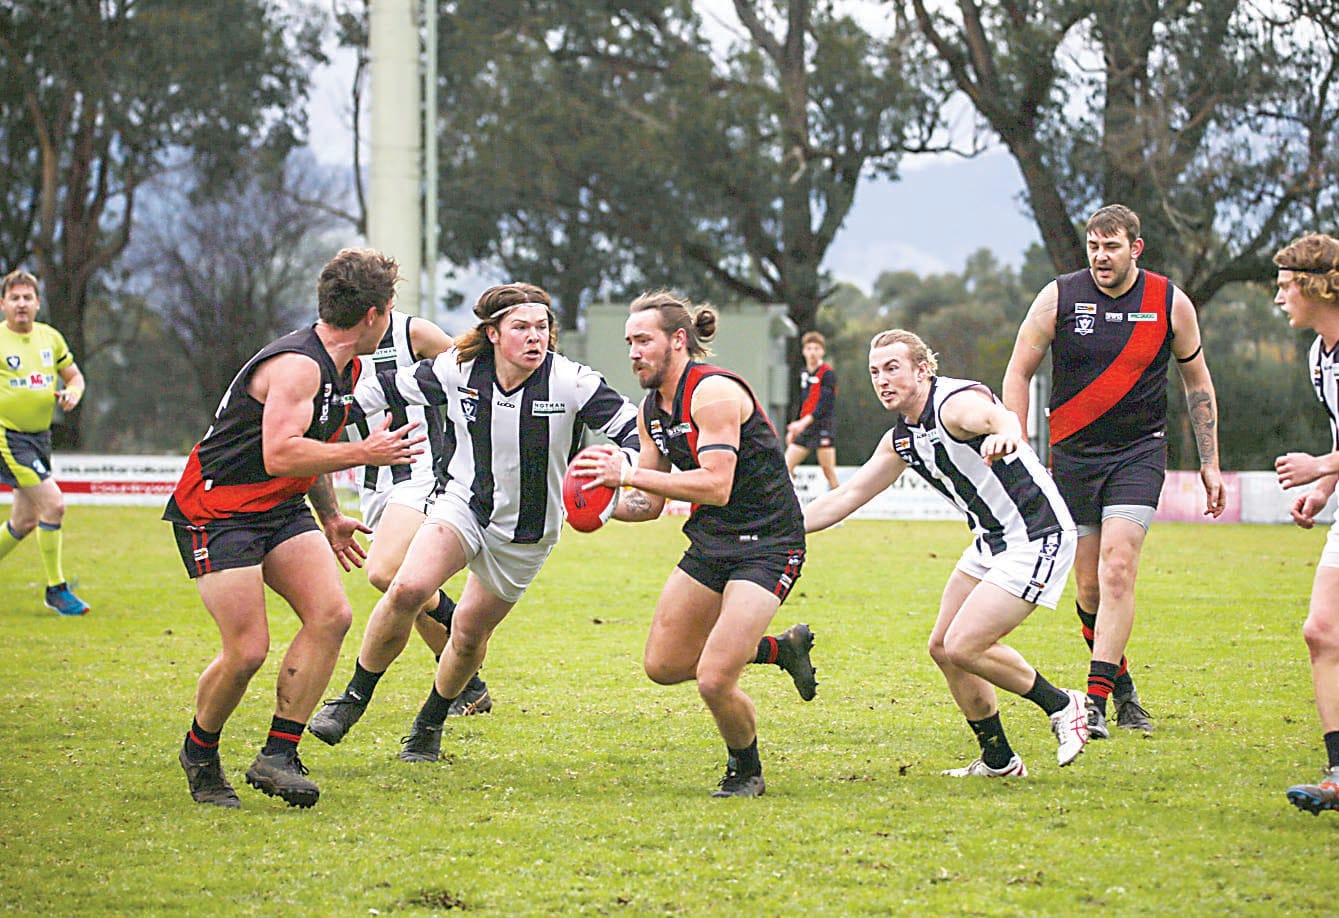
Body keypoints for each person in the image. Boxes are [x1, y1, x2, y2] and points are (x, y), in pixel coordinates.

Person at [307, 283, 643, 762]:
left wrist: (622, 470)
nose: (535, 338)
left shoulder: (572, 383)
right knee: (405, 589)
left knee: (466, 634)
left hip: (526, 533)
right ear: (492, 333)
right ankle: (352, 699)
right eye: (521, 328)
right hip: (462, 505)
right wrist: (319, 416)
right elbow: (384, 389)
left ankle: (429, 724)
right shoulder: (458, 368)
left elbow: (635, 432)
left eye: (542, 328)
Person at [164, 247, 425, 810]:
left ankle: (278, 755)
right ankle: (200, 751)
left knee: (331, 615)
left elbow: (315, 449)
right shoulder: (299, 365)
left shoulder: (346, 364)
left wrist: (330, 516)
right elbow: (281, 451)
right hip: (218, 510)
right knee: (247, 650)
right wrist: (366, 449)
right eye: (392, 308)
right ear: (374, 314)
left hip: (280, 509)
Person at [804, 329, 1088, 776]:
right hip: (990, 543)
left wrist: (1007, 434)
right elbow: (849, 494)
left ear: (923, 369)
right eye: (875, 371)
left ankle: (1063, 704)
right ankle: (998, 760)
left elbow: (1000, 418)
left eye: (893, 368)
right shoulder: (902, 438)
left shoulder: (953, 404)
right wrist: (780, 531)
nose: (883, 380)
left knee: (964, 645)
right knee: (942, 647)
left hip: (1037, 535)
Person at [573, 290, 817, 798]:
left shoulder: (713, 394)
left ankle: (745, 770)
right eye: (629, 342)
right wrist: (596, 506)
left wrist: (627, 473)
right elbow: (650, 502)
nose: (633, 352)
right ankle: (781, 650)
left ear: (677, 341)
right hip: (712, 541)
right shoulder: (650, 411)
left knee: (712, 678)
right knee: (664, 666)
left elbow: (715, 485)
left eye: (643, 340)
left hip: (769, 544)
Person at [1002, 203, 1226, 739]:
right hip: (1074, 458)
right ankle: (1124, 689)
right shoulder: (1058, 296)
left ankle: (1096, 700)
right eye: (1094, 246)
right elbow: (1018, 369)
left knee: (1117, 567)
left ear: (1135, 249)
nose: (1101, 257)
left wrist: (1210, 463)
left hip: (1139, 454)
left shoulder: (1170, 302)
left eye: (1112, 246)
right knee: (1087, 588)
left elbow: (1198, 385)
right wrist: (1016, 442)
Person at [307, 310, 491, 746]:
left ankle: (459, 625)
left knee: (386, 572)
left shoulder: (414, 332)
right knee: (407, 588)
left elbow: (471, 377)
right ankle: (468, 684)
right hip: (372, 480)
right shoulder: (324, 346)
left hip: (423, 466)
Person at [1271, 234, 1339, 814]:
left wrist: (1320, 465)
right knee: (1322, 632)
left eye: (1285, 286)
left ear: (1316, 286)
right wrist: (1323, 489)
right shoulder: (1321, 355)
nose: (1278, 298)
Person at [0, 269, 90, 616]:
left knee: (23, 522)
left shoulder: (50, 338)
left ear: (37, 304)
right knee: (54, 506)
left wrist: (72, 394)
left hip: (40, 438)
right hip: (8, 437)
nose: (21, 304)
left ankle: (56, 590)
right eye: (14, 298)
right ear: (3, 304)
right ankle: (56, 589)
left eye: (27, 298)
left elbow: (75, 377)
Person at [784, 330, 840, 491]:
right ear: (804, 351)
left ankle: (840, 511)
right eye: (809, 349)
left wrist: (803, 423)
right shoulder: (803, 374)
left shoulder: (827, 374)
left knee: (828, 471)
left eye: (816, 349)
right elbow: (800, 402)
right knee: (786, 467)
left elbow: (825, 404)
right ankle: (788, 507)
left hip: (823, 428)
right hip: (805, 429)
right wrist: (795, 426)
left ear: (822, 351)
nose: (813, 353)